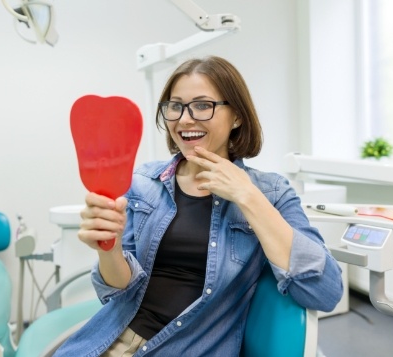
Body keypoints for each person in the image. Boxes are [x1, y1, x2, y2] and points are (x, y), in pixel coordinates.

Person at [54, 55, 343, 357]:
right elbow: (117, 292)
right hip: (109, 341)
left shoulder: (271, 193)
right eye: (175, 106)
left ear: (237, 116)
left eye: (203, 105)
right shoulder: (141, 183)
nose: (185, 119)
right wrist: (108, 249)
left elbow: (325, 292)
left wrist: (247, 195)